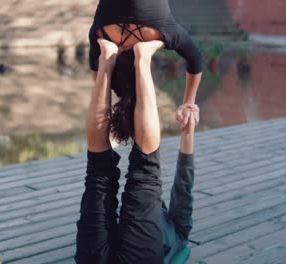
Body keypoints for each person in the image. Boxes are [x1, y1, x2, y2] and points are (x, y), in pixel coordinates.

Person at [75, 38, 199, 264]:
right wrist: (187, 132)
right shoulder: (179, 230)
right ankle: (116, 61)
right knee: (105, 172)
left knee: (112, 173)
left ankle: (123, 62)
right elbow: (184, 185)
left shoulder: (178, 230)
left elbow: (184, 185)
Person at [88, 0, 203, 145]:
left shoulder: (162, 30)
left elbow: (195, 59)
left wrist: (188, 103)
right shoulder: (101, 33)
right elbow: (97, 75)